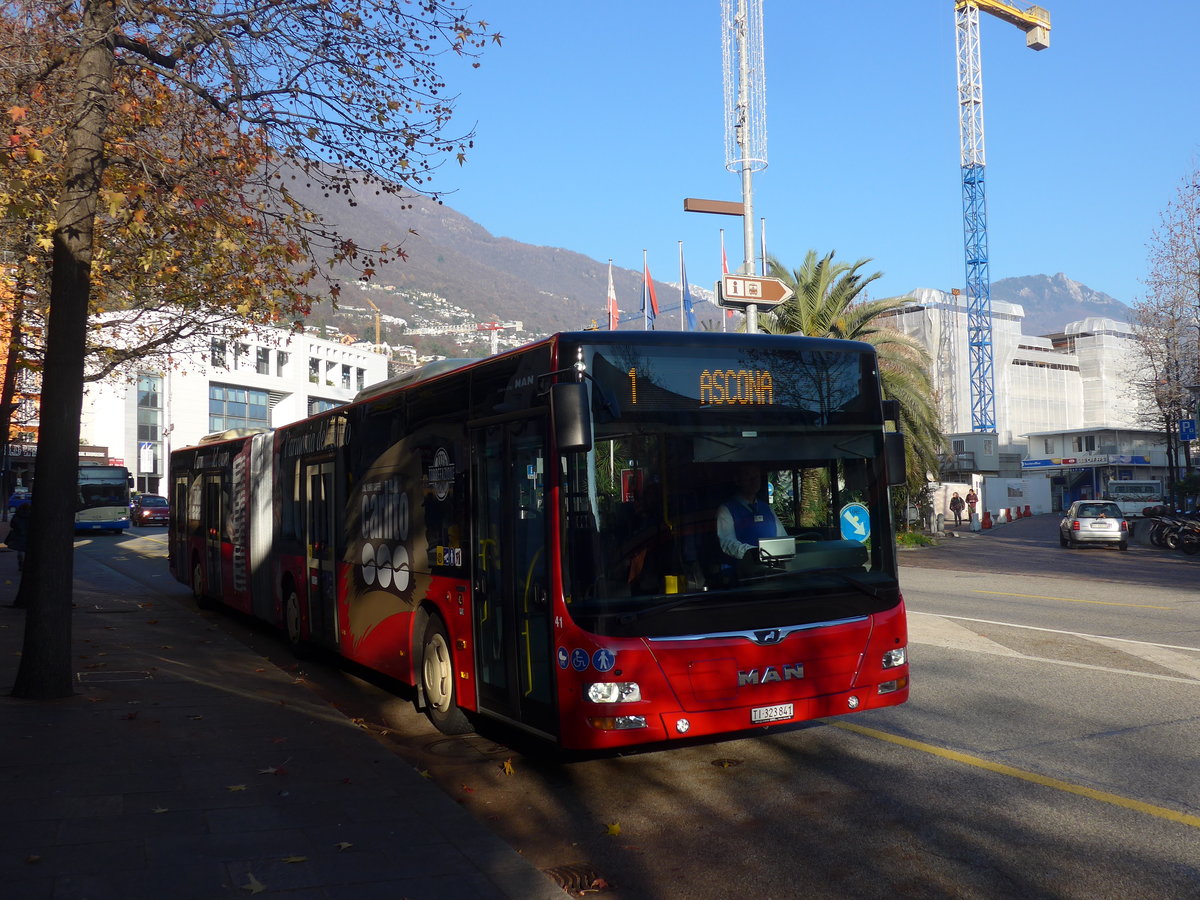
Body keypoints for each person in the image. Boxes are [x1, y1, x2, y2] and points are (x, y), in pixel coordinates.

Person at [717, 465, 786, 568]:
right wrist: (753, 552)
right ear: (737, 480)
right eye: (748, 476)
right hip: (742, 573)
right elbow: (727, 542)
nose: (754, 480)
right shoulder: (726, 509)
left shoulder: (767, 508)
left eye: (756, 476)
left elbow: (783, 537)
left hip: (773, 570)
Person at [5, 499, 31, 571]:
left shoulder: (17, 515)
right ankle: (27, 564)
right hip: (27, 534)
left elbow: (12, 525)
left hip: (18, 534)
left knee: (20, 550)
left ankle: (20, 563)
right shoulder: (31, 516)